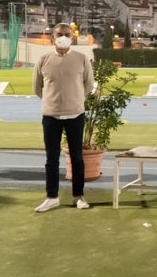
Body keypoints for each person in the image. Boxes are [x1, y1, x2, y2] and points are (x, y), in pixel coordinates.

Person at [32, 23, 94, 212]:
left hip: (75, 115)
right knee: (52, 159)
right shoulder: (43, 59)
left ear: (72, 37)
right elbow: (37, 87)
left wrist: (75, 100)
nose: (63, 37)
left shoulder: (82, 59)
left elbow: (88, 85)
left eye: (67, 34)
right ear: (52, 36)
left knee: (77, 158)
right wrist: (53, 102)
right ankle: (52, 197)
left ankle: (78, 196)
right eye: (60, 34)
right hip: (51, 116)